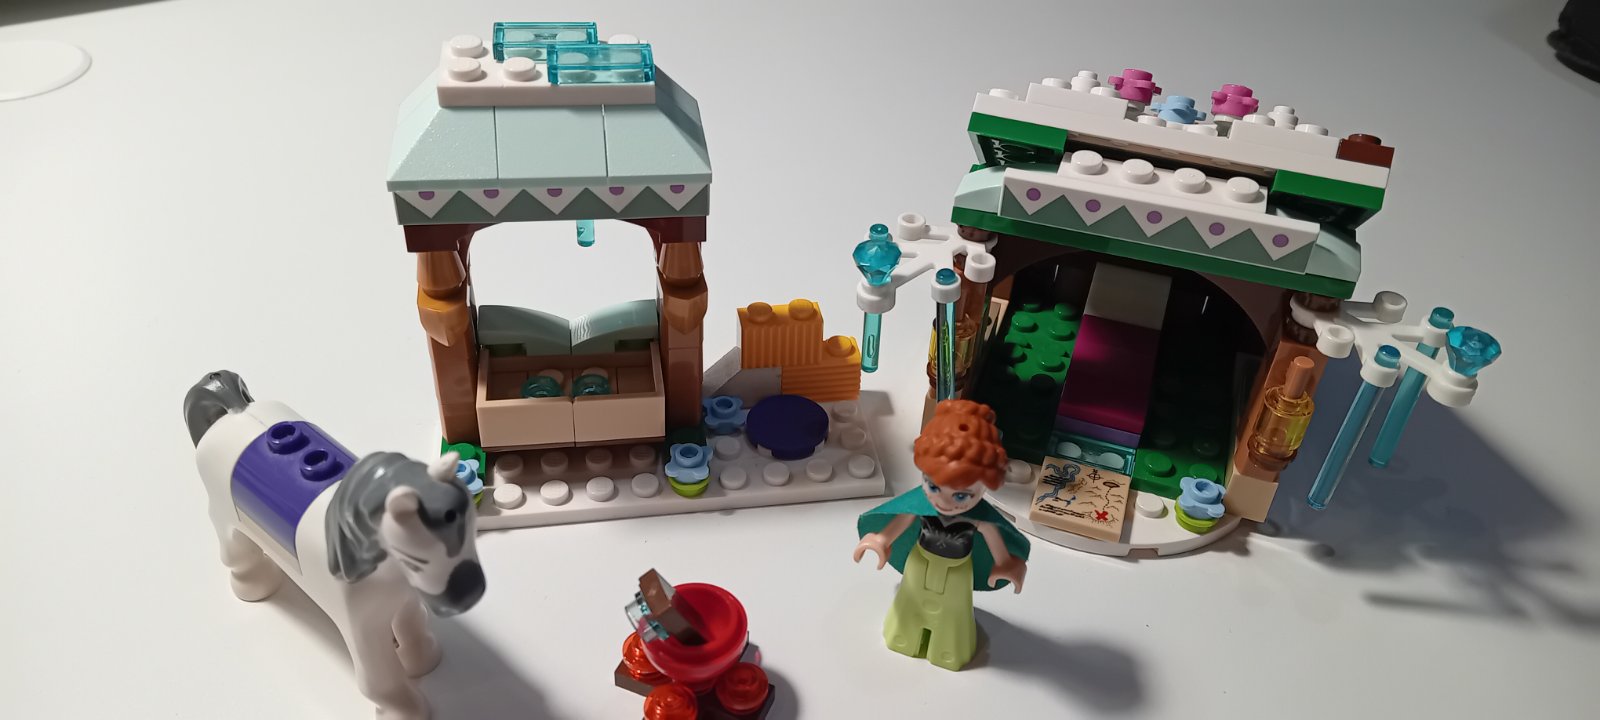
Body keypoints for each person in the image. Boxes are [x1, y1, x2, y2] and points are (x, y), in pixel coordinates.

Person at [853, 399, 1031, 671]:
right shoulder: (922, 507)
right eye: (933, 487)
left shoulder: (978, 519)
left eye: (961, 495)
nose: (944, 502)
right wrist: (881, 540)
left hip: (958, 572)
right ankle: (904, 638)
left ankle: (947, 650)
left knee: (953, 616)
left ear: (985, 488)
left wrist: (1005, 564)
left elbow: (994, 540)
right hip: (919, 562)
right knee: (909, 606)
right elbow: (904, 518)